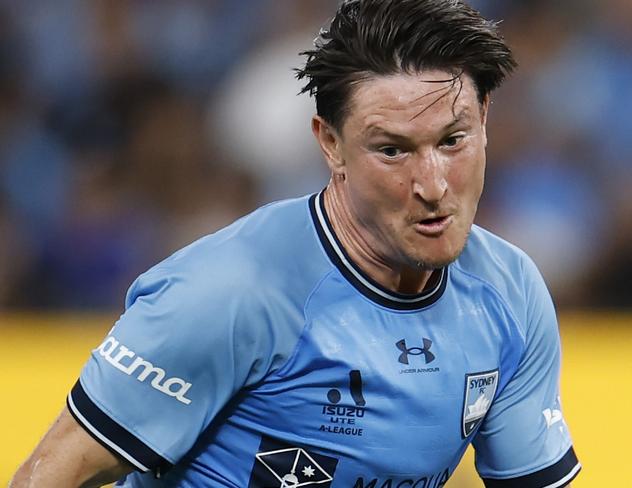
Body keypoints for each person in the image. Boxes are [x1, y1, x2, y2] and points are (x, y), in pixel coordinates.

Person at [11, 1, 581, 487]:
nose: (432, 185)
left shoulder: (510, 292)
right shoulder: (229, 291)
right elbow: (50, 473)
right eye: (392, 150)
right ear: (330, 143)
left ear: (485, 119)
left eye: (453, 140)